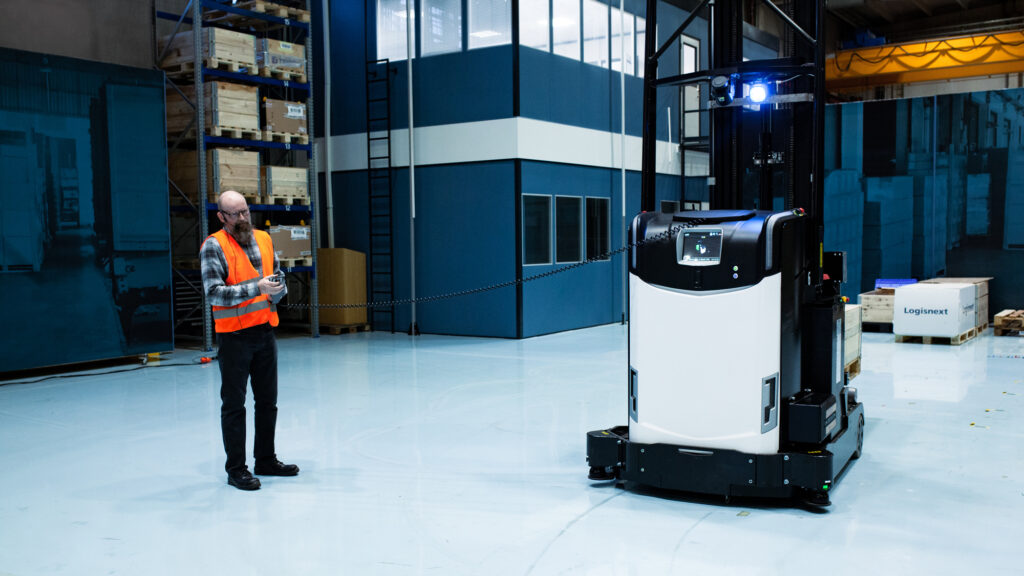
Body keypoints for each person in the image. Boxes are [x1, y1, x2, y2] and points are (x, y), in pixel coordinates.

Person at [199, 190, 299, 491]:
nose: (242, 218)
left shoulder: (264, 239)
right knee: (234, 405)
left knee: (268, 402)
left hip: (265, 331)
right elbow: (214, 292)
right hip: (235, 338)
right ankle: (236, 469)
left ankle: (265, 460)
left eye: (245, 211)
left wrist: (278, 290)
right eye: (235, 214)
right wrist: (257, 288)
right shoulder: (213, 246)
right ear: (221, 217)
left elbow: (277, 275)